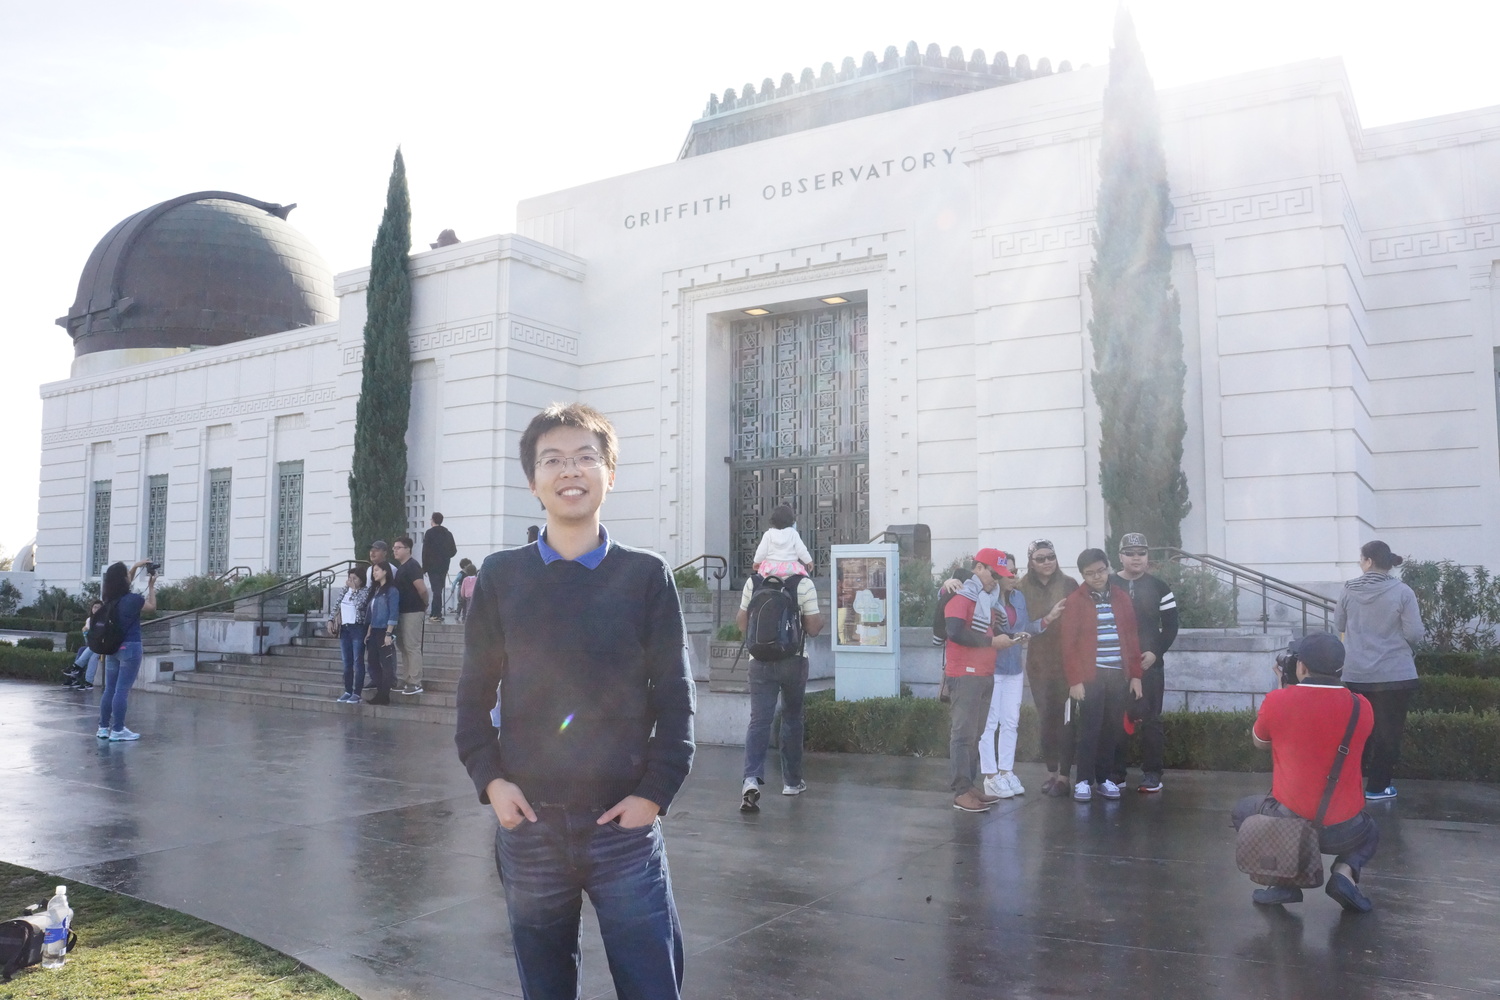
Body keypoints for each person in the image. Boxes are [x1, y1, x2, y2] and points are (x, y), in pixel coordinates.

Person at [455, 401, 695, 1000]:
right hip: (530, 828)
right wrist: (492, 783)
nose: (570, 471)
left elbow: (676, 700)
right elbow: (472, 696)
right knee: (546, 987)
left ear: (609, 474)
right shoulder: (501, 577)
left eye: (586, 457)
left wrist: (653, 795)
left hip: (624, 831)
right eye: (553, 460)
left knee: (651, 985)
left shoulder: (646, 577)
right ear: (532, 481)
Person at [1232, 632, 1379, 912]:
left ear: (1301, 666)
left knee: (1243, 811)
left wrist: (1283, 690)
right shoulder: (1363, 707)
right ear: (1341, 668)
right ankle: (1343, 875)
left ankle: (1283, 881)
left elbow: (1260, 742)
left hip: (1288, 825)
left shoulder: (1279, 700)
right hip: (1343, 830)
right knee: (1370, 830)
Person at [940, 551, 1042, 799]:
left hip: (985, 673)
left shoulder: (987, 599)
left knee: (976, 734)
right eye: (993, 574)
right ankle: (962, 791)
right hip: (965, 673)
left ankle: (971, 786)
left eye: (1001, 575)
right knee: (963, 735)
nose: (997, 580)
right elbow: (954, 632)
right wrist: (992, 641)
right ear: (978, 568)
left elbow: (992, 632)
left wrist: (1007, 638)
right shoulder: (962, 594)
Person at [1337, 539, 1425, 802]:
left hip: (1355, 675)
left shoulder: (1348, 590)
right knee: (1388, 733)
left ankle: (1348, 786)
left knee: (1354, 732)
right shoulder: (1403, 591)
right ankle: (1378, 787)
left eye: (1360, 559)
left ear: (1368, 561)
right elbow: (1414, 634)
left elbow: (1339, 624)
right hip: (1395, 675)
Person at [1057, 549, 1142, 801]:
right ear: (1082, 575)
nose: (1097, 577)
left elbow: (1132, 637)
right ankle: (1083, 780)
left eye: (1101, 571)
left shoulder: (1122, 598)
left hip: (1117, 674)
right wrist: (1074, 680)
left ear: (1108, 568)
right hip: (1090, 675)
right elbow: (1068, 644)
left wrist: (1135, 675)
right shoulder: (1076, 600)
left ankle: (1105, 778)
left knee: (1111, 729)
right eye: (1090, 573)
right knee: (1089, 729)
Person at [738, 564, 824, 811]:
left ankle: (751, 779)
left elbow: (742, 624)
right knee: (792, 718)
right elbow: (813, 628)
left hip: (759, 663)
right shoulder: (802, 583)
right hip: (793, 661)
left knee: (759, 721)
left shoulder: (754, 583)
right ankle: (792, 782)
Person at [1108, 533, 1180, 793]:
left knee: (1151, 720)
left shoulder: (1160, 586)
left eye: (1141, 553)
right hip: (1115, 664)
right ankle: (1116, 773)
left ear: (1147, 556)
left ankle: (1152, 773)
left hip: (1150, 664)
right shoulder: (1108, 584)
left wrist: (1155, 653)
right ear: (1120, 556)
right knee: (1116, 718)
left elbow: (1171, 627)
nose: (1136, 558)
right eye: (1130, 553)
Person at [1019, 540, 1077, 796]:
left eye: (1051, 557)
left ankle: (1065, 776)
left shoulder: (1069, 584)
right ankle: (1051, 773)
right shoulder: (1020, 588)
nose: (1046, 562)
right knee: (1046, 720)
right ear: (1031, 562)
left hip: (1067, 661)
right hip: (1039, 663)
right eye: (1040, 558)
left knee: (1067, 720)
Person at [95, 560, 157, 741]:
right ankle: (118, 730)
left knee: (110, 689)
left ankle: (103, 727)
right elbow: (152, 608)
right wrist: (151, 587)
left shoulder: (108, 599)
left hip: (112, 647)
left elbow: (122, 580)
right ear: (123, 580)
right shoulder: (133, 600)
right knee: (122, 690)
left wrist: (136, 566)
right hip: (130, 646)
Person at [391, 536, 430, 695]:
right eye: (394, 547)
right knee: (403, 646)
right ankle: (406, 678)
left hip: (413, 611)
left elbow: (422, 589)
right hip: (402, 611)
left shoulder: (413, 566)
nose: (395, 550)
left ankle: (415, 681)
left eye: (398, 547)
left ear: (408, 549)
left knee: (412, 646)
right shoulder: (401, 567)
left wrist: (425, 604)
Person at [331, 566, 370, 703]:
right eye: (349, 578)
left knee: (357, 661)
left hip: (357, 628)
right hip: (345, 628)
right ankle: (347, 690)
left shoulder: (365, 591)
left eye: (354, 578)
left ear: (361, 580)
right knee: (346, 662)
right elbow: (336, 605)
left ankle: (357, 693)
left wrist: (354, 590)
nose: (351, 581)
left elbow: (360, 605)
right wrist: (331, 620)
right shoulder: (344, 590)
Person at [364, 562, 399, 705]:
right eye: (373, 571)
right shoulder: (376, 590)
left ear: (385, 572)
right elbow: (372, 613)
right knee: (372, 662)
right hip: (374, 630)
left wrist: (389, 634)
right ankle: (380, 691)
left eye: (377, 570)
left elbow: (393, 612)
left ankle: (384, 695)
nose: (374, 573)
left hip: (385, 630)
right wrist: (369, 631)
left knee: (386, 663)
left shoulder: (392, 590)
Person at [752, 504, 814, 577]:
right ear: (791, 520)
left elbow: (761, 552)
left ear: (773, 520)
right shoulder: (793, 534)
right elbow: (801, 550)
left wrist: (756, 562)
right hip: (791, 569)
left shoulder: (768, 535)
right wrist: (808, 561)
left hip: (771, 570)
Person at [423, 512, 457, 623]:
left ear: (432, 520)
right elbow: (453, 551)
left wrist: (424, 567)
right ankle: (436, 613)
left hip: (432, 566)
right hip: (444, 565)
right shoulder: (448, 533)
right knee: (439, 589)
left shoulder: (429, 533)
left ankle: (436, 613)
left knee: (436, 589)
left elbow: (425, 551)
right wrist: (445, 557)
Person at [456, 557, 478, 623]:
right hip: (474, 596)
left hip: (467, 595)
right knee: (474, 607)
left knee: (466, 607)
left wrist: (463, 595)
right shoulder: (477, 579)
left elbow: (463, 588)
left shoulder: (465, 579)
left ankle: (465, 617)